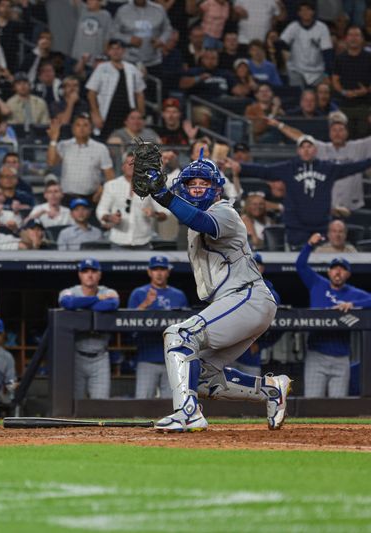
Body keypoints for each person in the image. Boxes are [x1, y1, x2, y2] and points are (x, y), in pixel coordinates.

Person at [136, 147, 291, 431]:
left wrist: (163, 196)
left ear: (216, 188)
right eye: (191, 184)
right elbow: (191, 217)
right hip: (240, 301)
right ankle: (271, 389)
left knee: (179, 335)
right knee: (204, 377)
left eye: (203, 183)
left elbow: (200, 220)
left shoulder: (224, 212)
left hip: (247, 296)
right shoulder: (192, 220)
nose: (196, 189)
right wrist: (165, 192)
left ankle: (187, 412)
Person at [225, 137, 371, 247]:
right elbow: (265, 171)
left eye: (309, 146)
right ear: (298, 150)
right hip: (296, 227)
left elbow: (352, 167)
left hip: (321, 226)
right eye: (303, 147)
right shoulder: (289, 167)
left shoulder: (328, 168)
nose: (306, 149)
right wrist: (242, 167)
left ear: (315, 150)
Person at [296, 235, 369, 398]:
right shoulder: (317, 283)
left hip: (341, 358)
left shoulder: (353, 294)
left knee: (338, 407)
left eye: (342, 269)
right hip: (317, 355)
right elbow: (300, 266)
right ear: (329, 271)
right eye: (335, 268)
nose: (338, 271)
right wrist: (309, 245)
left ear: (348, 274)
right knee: (312, 404)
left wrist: (353, 305)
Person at [269, 111, 371, 212]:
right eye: (334, 130)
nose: (337, 134)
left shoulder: (358, 146)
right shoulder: (321, 148)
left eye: (341, 130)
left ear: (347, 132)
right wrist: (279, 125)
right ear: (329, 133)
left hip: (352, 206)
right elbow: (300, 137)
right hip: (328, 207)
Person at [128, 256, 188, 399]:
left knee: (171, 404)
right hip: (147, 357)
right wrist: (145, 304)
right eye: (155, 269)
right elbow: (128, 323)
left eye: (162, 269)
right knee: (142, 405)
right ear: (149, 272)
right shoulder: (139, 293)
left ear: (168, 272)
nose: (159, 273)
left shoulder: (178, 295)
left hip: (173, 359)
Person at [59, 258, 119, 399]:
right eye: (85, 271)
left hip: (100, 357)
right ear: (80, 274)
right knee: (75, 403)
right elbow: (68, 303)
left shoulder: (109, 291)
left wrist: (81, 305)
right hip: (76, 356)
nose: (90, 275)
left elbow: (111, 305)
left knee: (101, 405)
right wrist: (97, 299)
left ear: (99, 275)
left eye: (93, 271)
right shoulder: (69, 291)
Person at [96, 150, 166, 250]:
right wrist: (110, 218)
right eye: (129, 163)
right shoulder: (111, 186)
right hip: (118, 241)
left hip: (143, 242)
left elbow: (164, 213)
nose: (132, 166)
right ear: (122, 166)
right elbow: (101, 210)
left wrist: (154, 214)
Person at [47, 114, 114, 204]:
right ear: (73, 129)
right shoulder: (64, 145)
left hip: (91, 197)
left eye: (85, 125)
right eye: (78, 125)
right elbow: (51, 162)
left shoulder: (100, 148)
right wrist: (53, 140)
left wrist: (102, 190)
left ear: (91, 129)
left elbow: (110, 175)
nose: (81, 128)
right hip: (67, 197)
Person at [233, 253, 282, 376]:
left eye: (257, 265)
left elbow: (281, 325)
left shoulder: (271, 294)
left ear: (262, 269)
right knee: (222, 394)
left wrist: (261, 345)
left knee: (251, 393)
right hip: (228, 357)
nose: (253, 268)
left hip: (250, 358)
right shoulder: (232, 288)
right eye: (250, 265)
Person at [86, 39, 145, 139]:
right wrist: (95, 114)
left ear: (123, 51)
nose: (115, 51)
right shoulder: (102, 68)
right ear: (108, 51)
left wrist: (141, 115)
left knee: (128, 140)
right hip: (107, 113)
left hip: (127, 114)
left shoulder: (131, 69)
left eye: (118, 48)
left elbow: (139, 93)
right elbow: (91, 93)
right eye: (112, 49)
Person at [279, 0, 333, 88]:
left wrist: (327, 75)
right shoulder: (293, 26)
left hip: (318, 72)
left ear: (313, 12)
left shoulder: (322, 28)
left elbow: (328, 53)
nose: (305, 12)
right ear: (298, 13)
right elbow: (282, 43)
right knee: (298, 97)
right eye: (302, 10)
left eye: (308, 10)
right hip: (297, 70)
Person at [332, 26, 371, 139]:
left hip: (365, 106)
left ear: (362, 39)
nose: (354, 38)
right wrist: (344, 92)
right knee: (345, 137)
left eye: (357, 35)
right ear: (346, 38)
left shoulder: (369, 58)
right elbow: (335, 80)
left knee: (363, 137)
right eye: (351, 35)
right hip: (345, 105)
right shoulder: (340, 58)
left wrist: (365, 91)